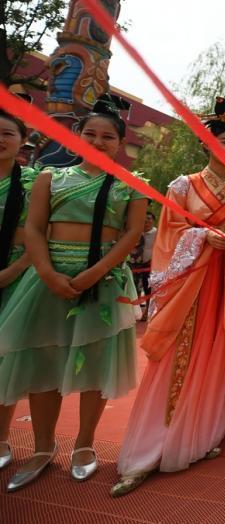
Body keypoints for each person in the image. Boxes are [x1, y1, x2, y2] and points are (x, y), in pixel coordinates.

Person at [111, 97, 225, 496]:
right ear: (206, 143)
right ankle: (155, 443)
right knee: (178, 355)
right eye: (223, 142)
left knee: (221, 352)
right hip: (192, 282)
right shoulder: (183, 186)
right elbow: (169, 234)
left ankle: (205, 431)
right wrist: (202, 237)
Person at [0, 97, 146, 492]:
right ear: (76, 135)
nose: (98, 142)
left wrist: (95, 272)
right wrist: (47, 273)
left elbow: (132, 234)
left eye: (108, 137)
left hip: (104, 279)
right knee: (44, 360)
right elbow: (34, 229)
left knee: (96, 364)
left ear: (120, 143)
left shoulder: (132, 184)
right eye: (90, 134)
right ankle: (42, 447)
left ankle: (84, 444)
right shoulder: (49, 177)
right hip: (48, 278)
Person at [0, 95, 37, 473]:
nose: (0, 139)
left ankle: (0, 437)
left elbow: (38, 238)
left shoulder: (32, 183)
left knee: (3, 362)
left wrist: (10, 273)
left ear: (22, 140)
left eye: (7, 133)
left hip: (13, 280)